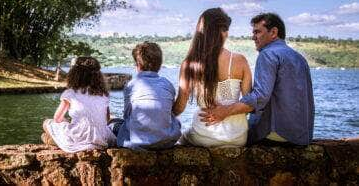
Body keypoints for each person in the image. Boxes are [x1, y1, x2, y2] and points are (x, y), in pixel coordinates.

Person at [200, 13, 315, 146]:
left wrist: (225, 112)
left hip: (276, 133)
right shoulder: (299, 57)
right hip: (301, 136)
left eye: (257, 32)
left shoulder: (268, 54)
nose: (253, 37)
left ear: (273, 32)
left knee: (227, 138)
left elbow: (260, 96)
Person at [172, 8, 252, 147]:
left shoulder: (189, 64)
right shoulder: (240, 61)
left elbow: (180, 106)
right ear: (223, 32)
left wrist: (163, 113)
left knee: (180, 141)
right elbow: (250, 103)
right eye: (226, 29)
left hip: (204, 134)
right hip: (237, 136)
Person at [112, 41, 181, 150]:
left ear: (138, 65)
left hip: (137, 142)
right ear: (160, 65)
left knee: (114, 124)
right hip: (166, 141)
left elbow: (127, 115)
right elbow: (167, 111)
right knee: (176, 122)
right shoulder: (167, 84)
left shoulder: (131, 85)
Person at [42, 57, 115, 153]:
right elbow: (107, 120)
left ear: (74, 74)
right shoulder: (103, 94)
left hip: (79, 136)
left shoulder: (70, 93)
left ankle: (54, 140)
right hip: (101, 138)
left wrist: (66, 121)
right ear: (98, 77)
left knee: (47, 123)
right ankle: (56, 140)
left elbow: (57, 118)